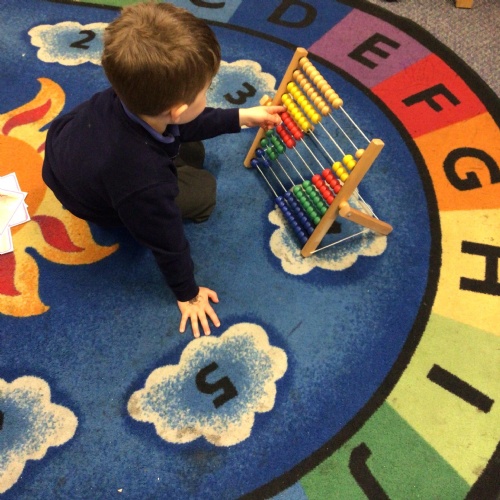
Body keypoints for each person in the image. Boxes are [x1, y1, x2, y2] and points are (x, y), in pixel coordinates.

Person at [42, 2, 284, 338]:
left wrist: (241, 117)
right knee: (203, 191)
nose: (209, 94)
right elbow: (166, 240)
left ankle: (171, 150)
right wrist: (188, 293)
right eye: (206, 91)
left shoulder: (130, 95)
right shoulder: (143, 181)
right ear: (178, 110)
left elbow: (184, 122)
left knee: (191, 146)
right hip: (101, 198)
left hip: (78, 149)